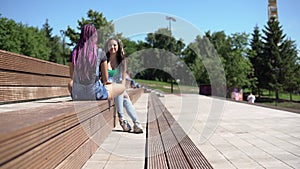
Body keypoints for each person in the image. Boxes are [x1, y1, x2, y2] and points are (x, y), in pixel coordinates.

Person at [67, 24, 124, 100]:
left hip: (78, 93)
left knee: (71, 84)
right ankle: (119, 111)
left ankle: (120, 109)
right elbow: (105, 80)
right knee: (121, 88)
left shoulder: (74, 53)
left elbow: (72, 77)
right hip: (95, 93)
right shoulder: (100, 52)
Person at [104, 37, 143, 133]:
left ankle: (134, 123)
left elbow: (124, 78)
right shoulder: (104, 59)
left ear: (118, 46)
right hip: (106, 86)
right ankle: (124, 120)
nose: (112, 47)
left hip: (117, 87)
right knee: (120, 92)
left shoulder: (122, 60)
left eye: (114, 45)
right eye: (110, 45)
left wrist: (122, 88)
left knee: (124, 95)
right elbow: (103, 79)